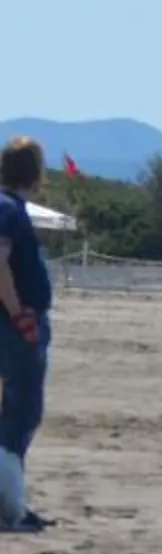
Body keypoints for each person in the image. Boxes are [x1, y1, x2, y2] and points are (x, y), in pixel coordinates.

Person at [0, 137, 55, 533]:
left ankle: (12, 500)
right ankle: (9, 506)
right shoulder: (8, 208)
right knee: (22, 412)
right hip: (15, 325)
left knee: (17, 412)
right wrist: (19, 312)